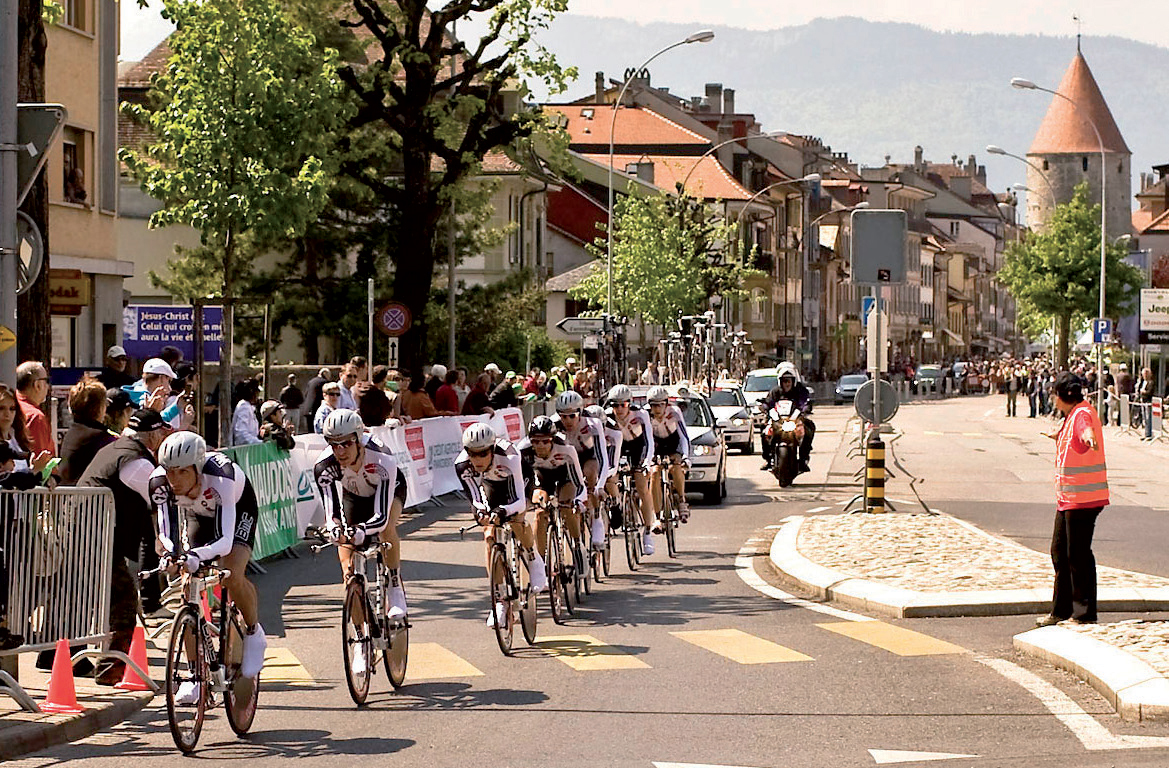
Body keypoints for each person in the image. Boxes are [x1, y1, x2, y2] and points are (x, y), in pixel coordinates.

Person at [151, 431, 267, 699]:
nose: (174, 480)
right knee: (188, 585)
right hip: (199, 515)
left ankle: (253, 632)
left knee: (231, 573)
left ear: (198, 467)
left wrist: (196, 555)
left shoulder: (220, 475)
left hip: (237, 510)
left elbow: (225, 541)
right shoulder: (159, 482)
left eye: (181, 472)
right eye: (170, 472)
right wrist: (171, 554)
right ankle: (195, 675)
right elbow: (165, 532)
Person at [78, 409, 168, 684]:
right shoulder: (136, 462)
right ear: (152, 434)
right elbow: (162, 500)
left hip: (87, 535)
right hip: (97, 539)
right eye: (161, 432)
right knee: (124, 603)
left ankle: (60, 655)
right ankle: (111, 670)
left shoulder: (115, 449)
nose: (163, 437)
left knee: (81, 602)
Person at [313, 409, 409, 655]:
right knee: (348, 569)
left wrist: (363, 530)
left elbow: (381, 515)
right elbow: (331, 510)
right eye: (333, 445)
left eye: (346, 444)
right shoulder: (324, 466)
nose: (340, 451)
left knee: (386, 529)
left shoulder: (381, 457)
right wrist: (335, 529)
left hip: (386, 494)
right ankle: (359, 641)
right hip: (354, 496)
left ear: (359, 438)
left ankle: (395, 585)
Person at [1036, 373, 1109, 628]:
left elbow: (1085, 430)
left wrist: (1090, 438)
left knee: (1077, 554)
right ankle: (1061, 610)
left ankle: (1084, 612)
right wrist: (1059, 437)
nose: (1053, 399)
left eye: (1054, 394)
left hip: (1083, 498)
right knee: (1060, 551)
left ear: (1062, 396)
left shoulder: (1082, 414)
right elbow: (1075, 436)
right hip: (1070, 498)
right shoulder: (1073, 414)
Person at [455, 423, 547, 628]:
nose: (477, 459)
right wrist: (481, 513)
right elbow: (475, 498)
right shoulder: (461, 464)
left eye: (482, 453)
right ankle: (498, 600)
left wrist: (503, 511)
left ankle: (534, 558)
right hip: (491, 485)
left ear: (492, 449)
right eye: (472, 453)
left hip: (517, 482)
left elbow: (519, 501)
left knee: (516, 519)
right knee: (489, 533)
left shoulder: (509, 456)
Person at [518, 415, 586, 564]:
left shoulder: (566, 449)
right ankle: (541, 563)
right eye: (535, 441)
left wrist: (579, 500)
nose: (540, 445)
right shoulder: (522, 450)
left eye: (545, 441)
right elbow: (519, 482)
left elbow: (579, 483)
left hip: (564, 476)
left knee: (566, 507)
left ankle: (577, 546)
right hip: (542, 477)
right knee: (540, 512)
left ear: (553, 439)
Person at [552, 390, 609, 550]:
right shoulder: (553, 425)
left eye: (572, 416)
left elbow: (602, 458)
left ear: (581, 412)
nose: (568, 420)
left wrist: (600, 486)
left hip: (588, 456)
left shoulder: (593, 424)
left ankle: (596, 517)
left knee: (590, 471)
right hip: (568, 460)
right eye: (563, 416)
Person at [605, 384, 657, 555]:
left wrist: (647, 463)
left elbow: (649, 440)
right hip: (617, 448)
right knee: (610, 477)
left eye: (623, 405)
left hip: (637, 447)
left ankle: (648, 532)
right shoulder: (606, 417)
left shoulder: (641, 414)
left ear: (629, 403)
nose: (619, 409)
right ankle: (617, 503)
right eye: (615, 405)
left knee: (642, 485)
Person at [645, 385, 692, 524]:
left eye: (660, 405)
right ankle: (657, 516)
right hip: (656, 444)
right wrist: (648, 460)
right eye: (654, 406)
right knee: (654, 473)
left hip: (673, 442)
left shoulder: (675, 412)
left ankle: (682, 500)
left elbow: (684, 437)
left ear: (666, 404)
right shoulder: (646, 415)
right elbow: (647, 440)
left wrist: (685, 457)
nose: (657, 409)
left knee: (676, 467)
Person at [58, 376, 115, 486]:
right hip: (86, 500)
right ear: (99, 407)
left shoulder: (72, 433)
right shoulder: (100, 438)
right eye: (105, 403)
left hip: (68, 498)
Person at [760, 365, 815, 474]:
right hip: (779, 421)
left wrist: (805, 409)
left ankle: (803, 459)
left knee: (809, 428)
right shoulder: (775, 391)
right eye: (784, 381)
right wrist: (765, 407)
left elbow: (805, 402)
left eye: (789, 381)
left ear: (793, 381)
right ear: (780, 381)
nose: (787, 383)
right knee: (764, 430)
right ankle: (768, 458)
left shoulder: (800, 390)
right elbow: (768, 402)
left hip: (795, 419)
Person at [0, 383, 48, 475]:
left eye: (12, 409)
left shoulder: (19, 437)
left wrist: (47, 478)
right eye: (1, 408)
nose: (7, 414)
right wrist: (33, 472)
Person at [15, 361, 55, 458]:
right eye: (46, 381)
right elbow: (41, 460)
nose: (48, 387)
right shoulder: (35, 417)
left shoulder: (11, 406)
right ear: (37, 385)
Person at [232, 380, 263, 445]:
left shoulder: (250, 407)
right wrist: (258, 442)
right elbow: (241, 434)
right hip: (243, 449)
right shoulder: (244, 407)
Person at [303, 368, 331, 432]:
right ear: (325, 374)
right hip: (316, 409)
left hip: (308, 409)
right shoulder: (324, 382)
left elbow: (306, 394)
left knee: (309, 432)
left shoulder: (311, 381)